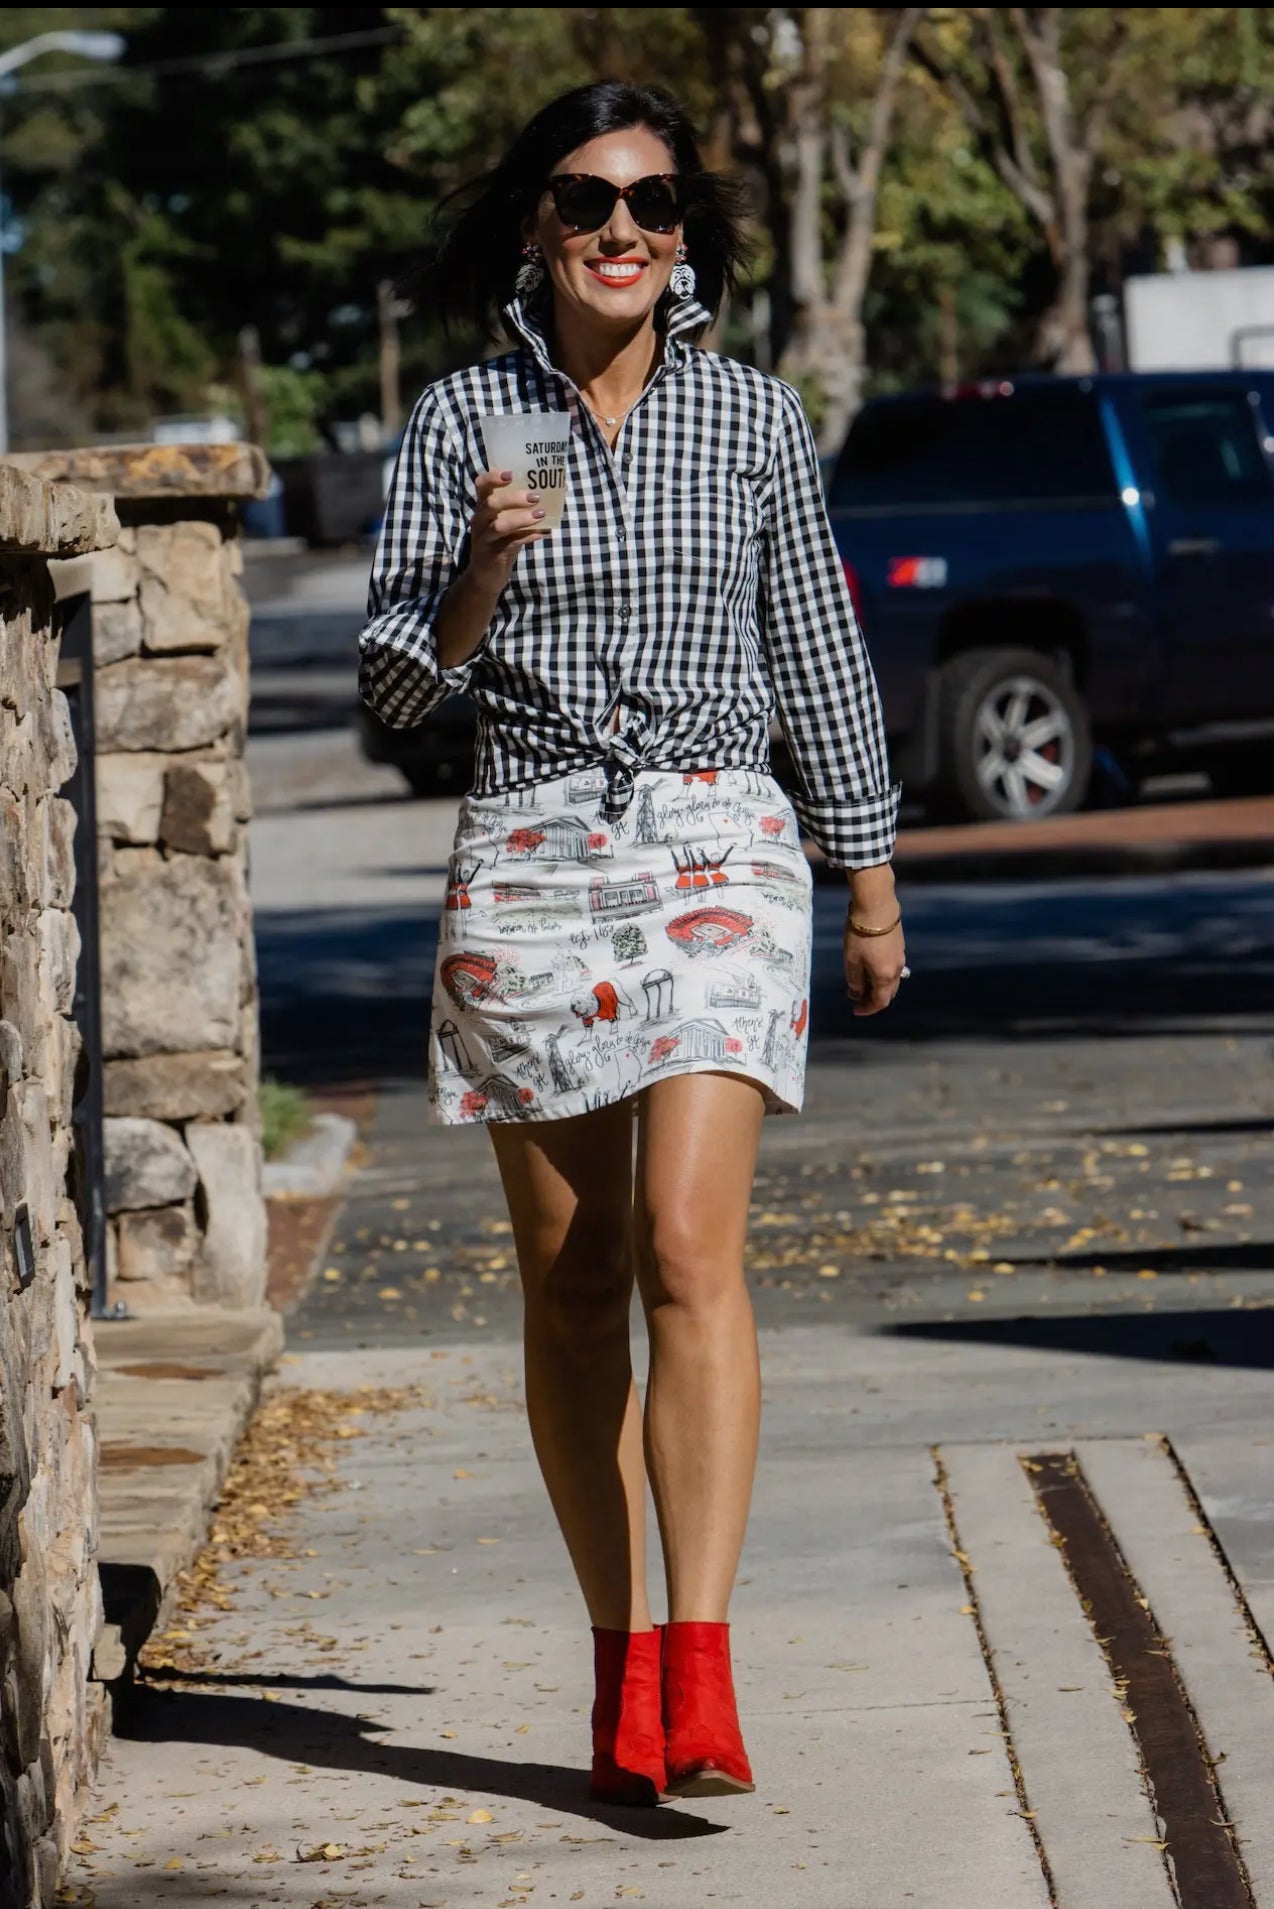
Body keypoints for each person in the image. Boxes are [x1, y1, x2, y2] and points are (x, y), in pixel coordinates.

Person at [359, 80, 906, 1806]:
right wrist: (472, 572)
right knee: (577, 1281)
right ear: (535, 221)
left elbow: (815, 645)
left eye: (654, 206)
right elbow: (391, 692)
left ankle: (705, 1665)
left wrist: (869, 873)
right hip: (526, 850)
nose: (622, 232)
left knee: (685, 1243)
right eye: (589, 201)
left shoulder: (748, 416)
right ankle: (615, 1667)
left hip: (716, 834)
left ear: (685, 236)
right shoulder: (460, 421)